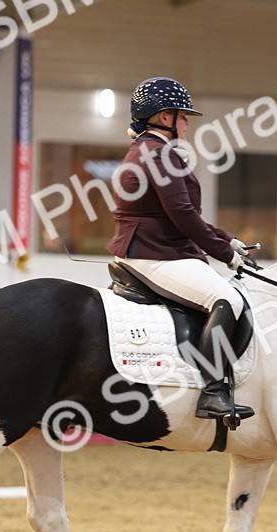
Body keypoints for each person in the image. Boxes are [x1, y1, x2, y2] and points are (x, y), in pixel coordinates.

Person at [107, 77, 254, 422]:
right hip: (152, 252)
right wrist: (226, 255)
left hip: (154, 246)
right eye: (182, 115)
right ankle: (213, 391)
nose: (187, 122)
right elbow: (184, 216)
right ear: (163, 118)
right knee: (228, 299)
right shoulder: (159, 155)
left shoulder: (148, 151)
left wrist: (227, 239)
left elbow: (181, 214)